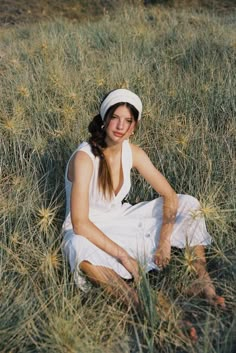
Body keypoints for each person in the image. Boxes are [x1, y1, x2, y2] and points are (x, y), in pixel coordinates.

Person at [62, 88, 225, 309]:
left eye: (128, 120)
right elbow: (80, 223)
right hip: (88, 230)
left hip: (120, 218)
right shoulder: (85, 157)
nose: (120, 126)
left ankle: (203, 282)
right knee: (78, 246)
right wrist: (124, 257)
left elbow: (168, 194)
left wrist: (164, 242)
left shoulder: (133, 153)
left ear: (134, 126)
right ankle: (143, 304)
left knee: (189, 204)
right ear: (104, 120)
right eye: (115, 118)